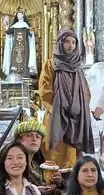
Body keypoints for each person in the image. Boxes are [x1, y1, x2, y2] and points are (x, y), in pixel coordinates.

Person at [39, 30, 94, 168]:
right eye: (67, 42)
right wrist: (54, 109)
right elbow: (45, 89)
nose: (71, 45)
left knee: (73, 155)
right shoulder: (51, 64)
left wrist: (79, 108)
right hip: (56, 116)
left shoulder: (78, 68)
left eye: (74, 42)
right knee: (55, 153)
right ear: (60, 43)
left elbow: (86, 92)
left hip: (75, 119)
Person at [15, 118, 65, 195]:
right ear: (19, 140)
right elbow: (11, 191)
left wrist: (59, 182)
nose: (34, 139)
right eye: (29, 135)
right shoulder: (15, 165)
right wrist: (36, 191)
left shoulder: (38, 166)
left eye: (38, 136)